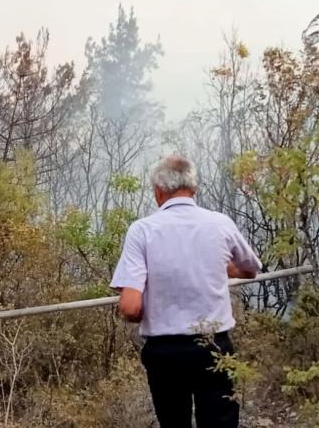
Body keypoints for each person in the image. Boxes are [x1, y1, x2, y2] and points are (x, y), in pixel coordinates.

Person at [111, 154, 263, 428]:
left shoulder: (142, 231)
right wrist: (220, 267)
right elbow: (250, 268)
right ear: (194, 189)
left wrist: (145, 310)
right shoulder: (220, 223)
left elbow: (130, 307)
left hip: (165, 352)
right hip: (214, 345)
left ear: (158, 192)